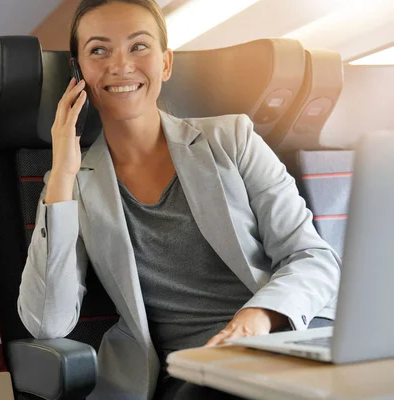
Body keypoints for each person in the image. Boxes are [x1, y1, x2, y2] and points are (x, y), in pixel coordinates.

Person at [17, 1, 341, 399]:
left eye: (139, 46)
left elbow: (313, 257)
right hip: (194, 373)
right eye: (99, 50)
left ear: (166, 64)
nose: (121, 65)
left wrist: (257, 319)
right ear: (78, 71)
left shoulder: (233, 139)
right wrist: (64, 172)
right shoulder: (70, 185)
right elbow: (47, 322)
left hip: (280, 340)